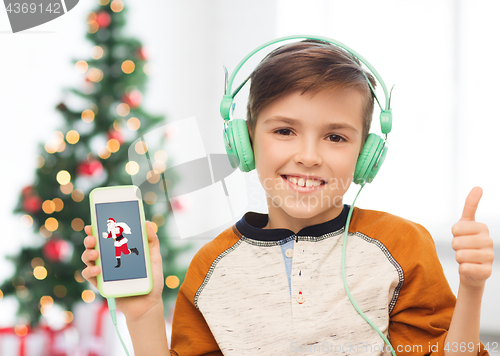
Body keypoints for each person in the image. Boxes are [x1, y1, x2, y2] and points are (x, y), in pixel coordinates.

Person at [81, 39, 494, 355]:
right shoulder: (210, 267)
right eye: (284, 131)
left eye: (335, 137)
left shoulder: (403, 246)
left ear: (366, 155)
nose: (308, 157)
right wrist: (144, 312)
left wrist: (472, 288)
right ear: (244, 142)